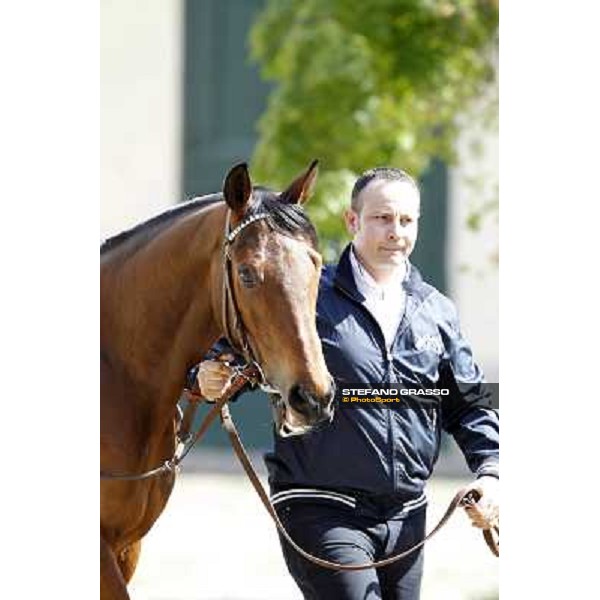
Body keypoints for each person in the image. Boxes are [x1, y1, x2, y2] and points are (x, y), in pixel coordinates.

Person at [192, 167, 499, 600]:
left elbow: (469, 404)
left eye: (406, 221)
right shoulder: (310, 294)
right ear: (352, 221)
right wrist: (207, 375)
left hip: (406, 513)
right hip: (319, 504)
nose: (396, 232)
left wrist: (491, 472)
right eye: (382, 218)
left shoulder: (437, 311)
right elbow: (234, 352)